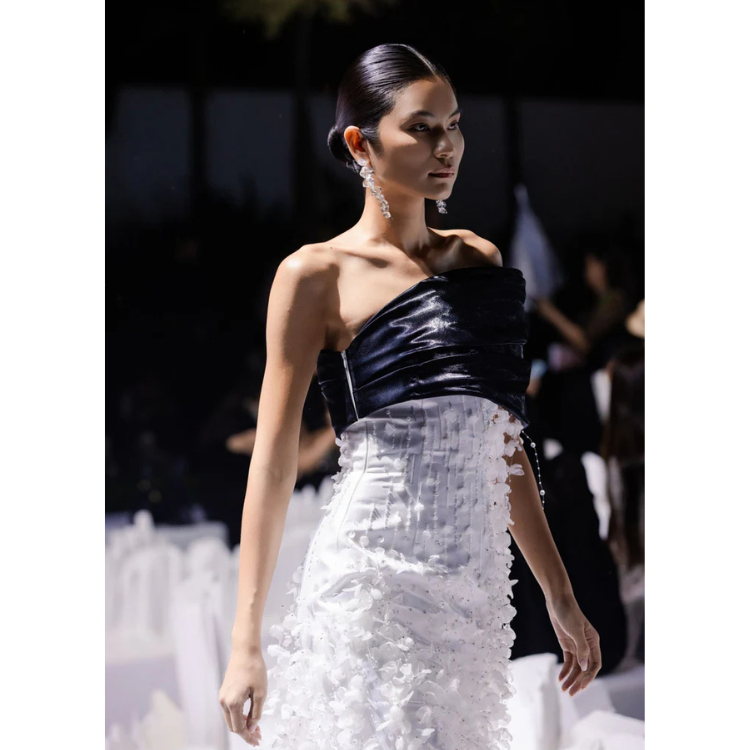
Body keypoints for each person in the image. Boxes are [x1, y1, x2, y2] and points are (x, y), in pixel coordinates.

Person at [218, 44, 602, 749]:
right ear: (360, 143)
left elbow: (502, 446)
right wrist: (246, 643)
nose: (445, 145)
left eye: (453, 125)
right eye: (421, 128)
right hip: (372, 582)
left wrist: (561, 595)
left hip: (473, 594)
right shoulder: (314, 276)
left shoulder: (479, 263)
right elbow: (271, 467)